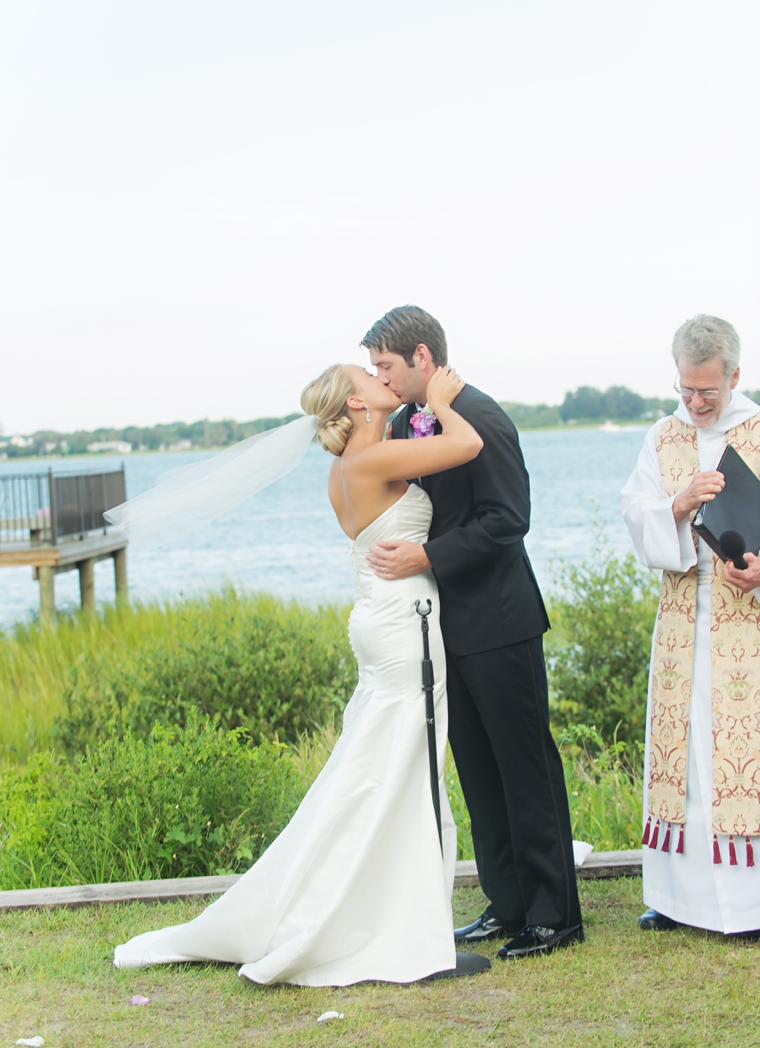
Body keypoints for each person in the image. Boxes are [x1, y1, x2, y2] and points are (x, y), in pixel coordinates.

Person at [114, 361, 491, 985]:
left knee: (381, 766)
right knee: (401, 768)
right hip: (402, 625)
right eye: (365, 377)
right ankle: (405, 933)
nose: (381, 379)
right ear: (356, 403)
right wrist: (446, 401)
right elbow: (468, 444)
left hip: (379, 618)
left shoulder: (344, 469)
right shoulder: (372, 460)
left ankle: (397, 915)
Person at [361, 306, 583, 959]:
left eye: (387, 367)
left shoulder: (483, 417)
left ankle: (554, 915)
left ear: (423, 358)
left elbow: (508, 519)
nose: (382, 378)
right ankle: (507, 902)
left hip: (502, 621)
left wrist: (427, 558)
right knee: (479, 773)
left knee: (524, 769)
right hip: (440, 629)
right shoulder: (408, 421)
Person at [622, 314, 760, 934]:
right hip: (683, 614)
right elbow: (636, 515)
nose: (697, 403)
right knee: (687, 757)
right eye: (686, 389)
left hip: (748, 618)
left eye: (708, 390)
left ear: (735, 376)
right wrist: (678, 504)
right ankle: (680, 900)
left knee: (743, 753)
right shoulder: (662, 435)